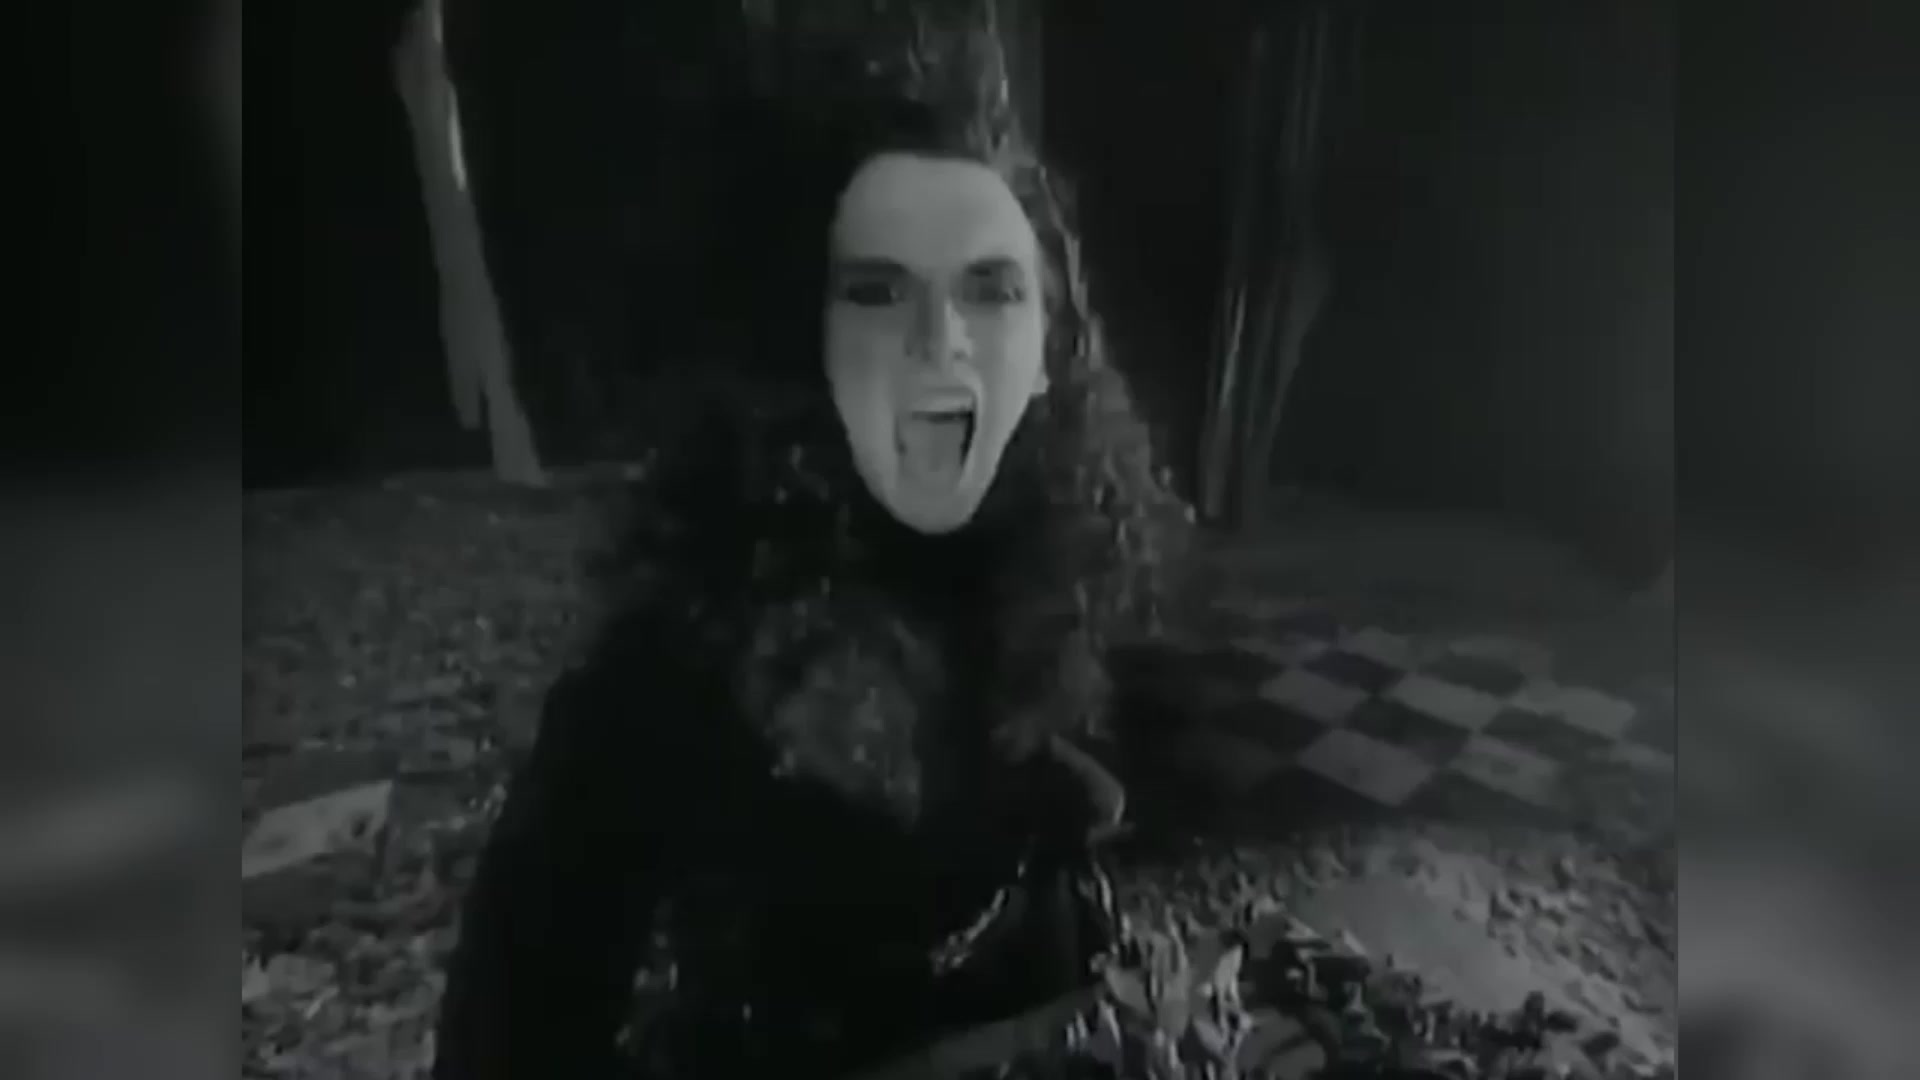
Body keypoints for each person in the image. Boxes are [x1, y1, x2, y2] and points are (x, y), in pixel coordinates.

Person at [433, 84, 1193, 1080]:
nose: (941, 339)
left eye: (992, 289)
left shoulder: (1066, 567)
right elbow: (502, 1041)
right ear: (810, 342)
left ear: (1051, 353)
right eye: (878, 291)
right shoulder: (676, 657)